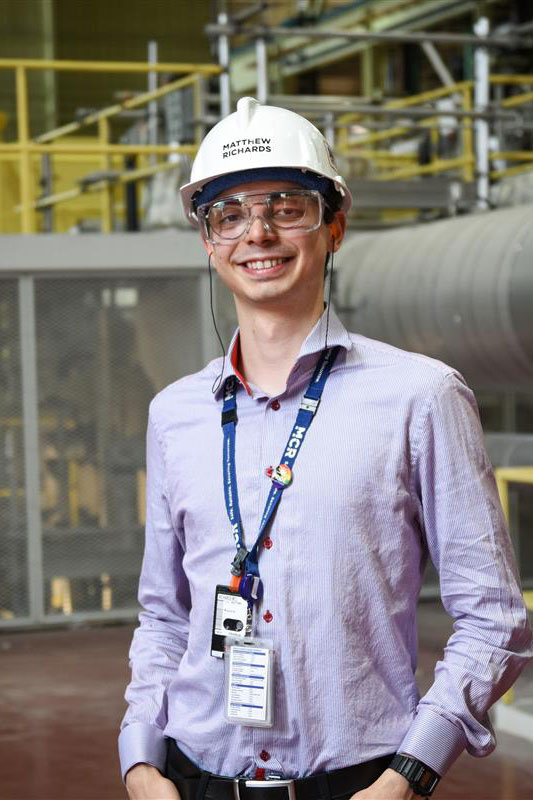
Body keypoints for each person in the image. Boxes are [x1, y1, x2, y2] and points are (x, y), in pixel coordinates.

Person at [119, 97, 532, 800]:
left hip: (357, 783)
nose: (259, 233)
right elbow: (165, 613)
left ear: (333, 225)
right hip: (189, 777)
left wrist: (408, 775)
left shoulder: (420, 396)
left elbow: (494, 616)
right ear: (208, 241)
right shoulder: (176, 414)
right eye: (230, 214)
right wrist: (138, 763)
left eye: (286, 207)